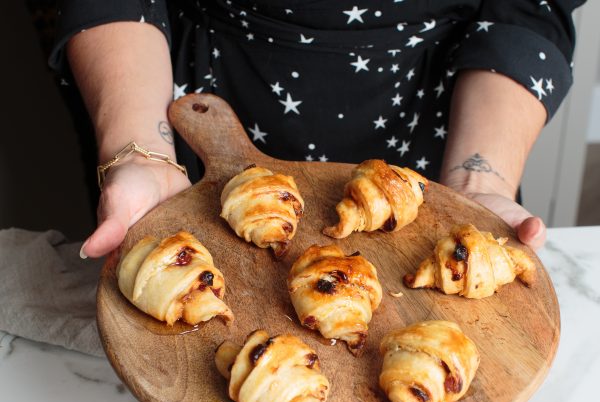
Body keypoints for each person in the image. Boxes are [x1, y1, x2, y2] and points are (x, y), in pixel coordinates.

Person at [49, 0, 585, 258]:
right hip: (182, 108)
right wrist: (143, 156)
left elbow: (531, 6)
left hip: (446, 125)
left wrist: (478, 186)